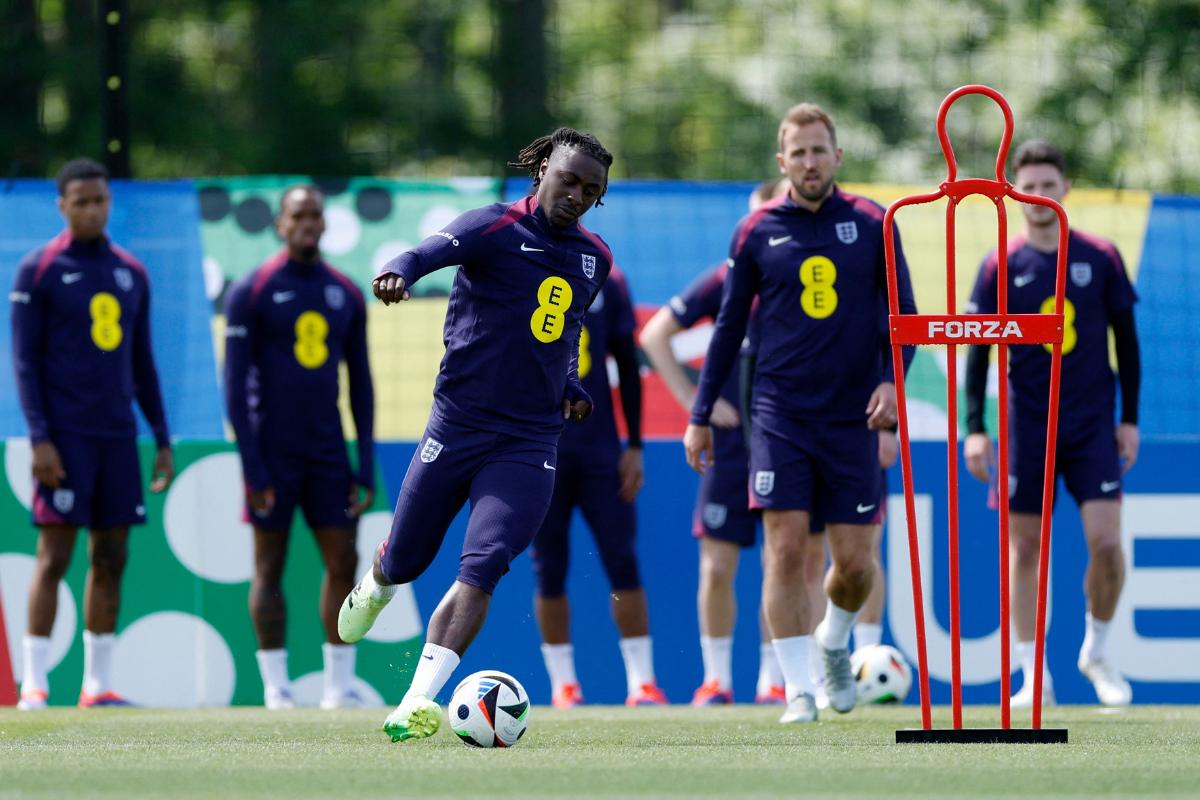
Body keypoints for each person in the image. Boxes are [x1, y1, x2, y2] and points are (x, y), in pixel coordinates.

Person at [337, 127, 614, 742]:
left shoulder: (595, 258)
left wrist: (570, 385)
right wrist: (395, 274)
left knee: (484, 563)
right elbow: (420, 255)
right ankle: (378, 579)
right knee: (407, 560)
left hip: (529, 440)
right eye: (568, 179)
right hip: (458, 424)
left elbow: (562, 334)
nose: (576, 195)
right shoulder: (493, 226)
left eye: (590, 190)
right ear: (542, 168)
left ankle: (416, 701)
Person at [683, 103, 916, 723]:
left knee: (856, 565)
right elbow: (728, 328)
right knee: (784, 549)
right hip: (779, 413)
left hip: (854, 418)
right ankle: (796, 691)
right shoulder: (756, 230)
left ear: (837, 156)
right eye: (799, 152)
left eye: (820, 150)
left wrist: (893, 385)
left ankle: (834, 639)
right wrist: (700, 412)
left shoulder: (874, 223)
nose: (810, 162)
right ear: (781, 161)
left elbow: (906, 318)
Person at [963, 140, 1139, 707]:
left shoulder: (1101, 256)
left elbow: (1127, 346)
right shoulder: (1000, 264)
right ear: (1015, 193)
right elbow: (976, 352)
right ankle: (1032, 674)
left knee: (1107, 544)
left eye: (1048, 185)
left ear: (1066, 188)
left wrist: (1129, 419)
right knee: (1026, 549)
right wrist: (974, 426)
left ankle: (1097, 652)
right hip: (1025, 424)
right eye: (1028, 186)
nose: (1038, 196)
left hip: (1091, 422)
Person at [10, 158, 174, 709]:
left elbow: (143, 364)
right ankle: (34, 683)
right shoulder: (39, 270)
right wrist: (40, 438)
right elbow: (25, 365)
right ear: (62, 206)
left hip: (117, 438)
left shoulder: (132, 272)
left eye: (99, 200)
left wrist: (162, 438)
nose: (92, 209)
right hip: (64, 437)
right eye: (80, 201)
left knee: (111, 556)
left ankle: (96, 685)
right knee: (54, 556)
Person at [223, 186, 375, 710]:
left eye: (315, 215)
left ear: (324, 224)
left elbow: (362, 384)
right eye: (297, 216)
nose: (308, 223)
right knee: (269, 565)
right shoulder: (252, 290)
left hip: (329, 452)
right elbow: (234, 389)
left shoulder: (346, 293)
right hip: (273, 451)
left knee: (343, 560)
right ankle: (276, 688)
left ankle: (338, 686)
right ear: (280, 225)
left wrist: (366, 464)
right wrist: (252, 468)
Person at [638, 179, 789, 706]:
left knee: (783, 561)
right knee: (718, 566)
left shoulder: (804, 278)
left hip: (787, 437)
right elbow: (653, 335)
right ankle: (717, 680)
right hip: (728, 448)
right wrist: (693, 399)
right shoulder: (725, 280)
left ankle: (775, 679)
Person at [530, 265, 665, 708]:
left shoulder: (609, 277)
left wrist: (636, 444)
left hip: (600, 449)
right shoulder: (523, 265)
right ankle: (563, 684)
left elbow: (627, 362)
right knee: (548, 565)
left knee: (622, 559)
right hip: (538, 446)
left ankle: (642, 682)